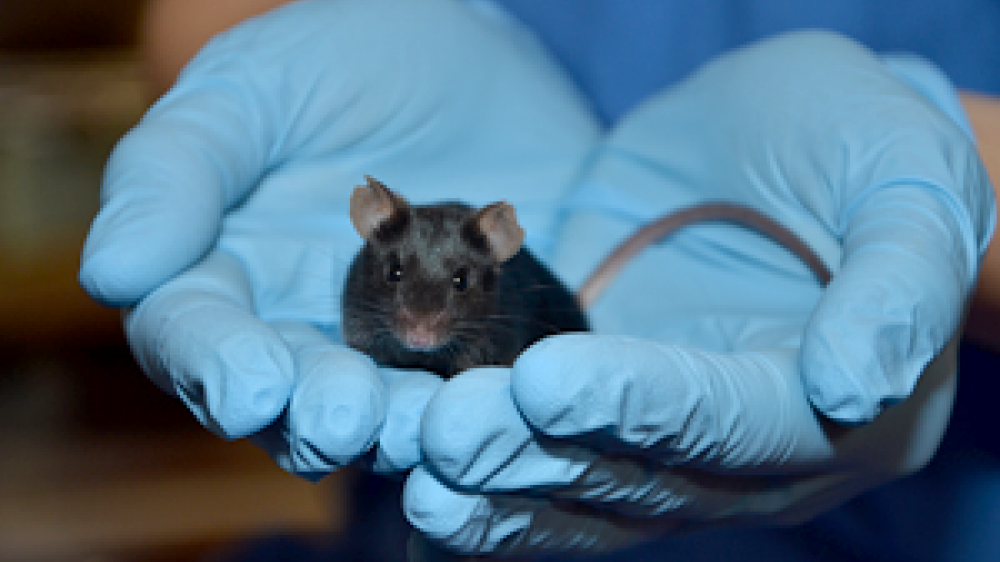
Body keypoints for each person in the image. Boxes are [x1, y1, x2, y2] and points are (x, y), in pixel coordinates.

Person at [79, 0, 1000, 559]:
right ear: (369, 230)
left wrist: (949, 197)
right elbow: (194, 23)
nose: (421, 312)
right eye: (396, 277)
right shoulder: (376, 278)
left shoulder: (519, 294)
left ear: (501, 246)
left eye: (454, 293)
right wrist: (266, 64)